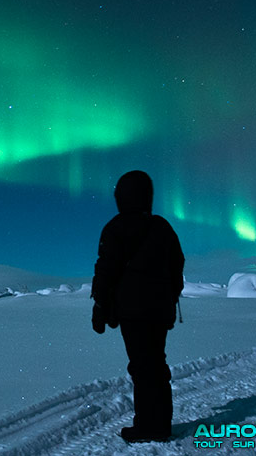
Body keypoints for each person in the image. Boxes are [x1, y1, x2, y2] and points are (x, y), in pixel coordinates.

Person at [91, 170, 185, 443]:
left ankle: (149, 426)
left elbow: (106, 269)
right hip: (159, 311)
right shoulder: (163, 228)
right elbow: (177, 267)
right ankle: (159, 423)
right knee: (155, 364)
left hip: (133, 312)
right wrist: (169, 297)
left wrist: (100, 305)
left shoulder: (115, 227)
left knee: (143, 367)